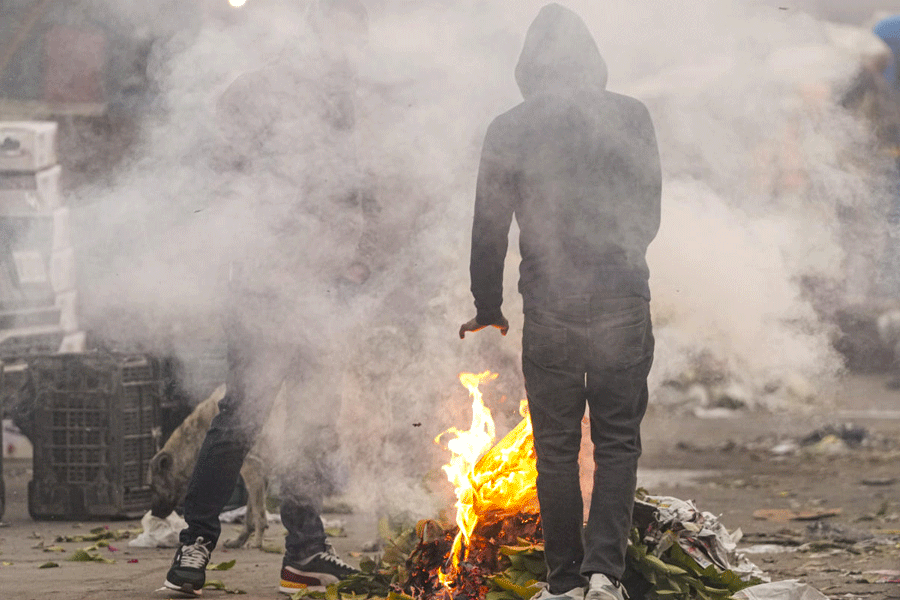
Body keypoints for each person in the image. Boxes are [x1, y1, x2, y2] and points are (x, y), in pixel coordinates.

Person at [163, 0, 371, 596]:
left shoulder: (339, 99)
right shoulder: (249, 93)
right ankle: (196, 542)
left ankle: (305, 550)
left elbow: (349, 186)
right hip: (260, 285)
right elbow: (222, 186)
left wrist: (351, 252)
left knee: (311, 421)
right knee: (241, 420)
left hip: (319, 285)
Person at [459, 5, 661, 600]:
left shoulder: (509, 127)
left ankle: (564, 581)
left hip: (549, 304)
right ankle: (605, 576)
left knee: (555, 448)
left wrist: (488, 304)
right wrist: (619, 264)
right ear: (592, 59)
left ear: (528, 66)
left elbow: (489, 227)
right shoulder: (632, 115)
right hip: (623, 296)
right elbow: (649, 210)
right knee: (617, 441)